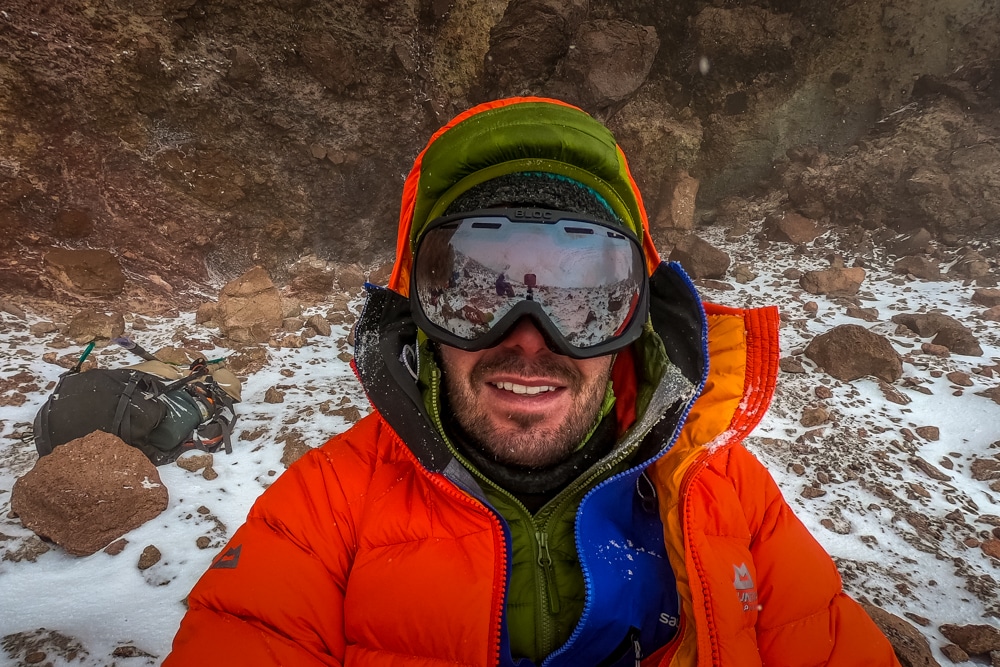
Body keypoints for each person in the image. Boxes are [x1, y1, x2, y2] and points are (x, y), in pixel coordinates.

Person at [165, 98, 901, 666]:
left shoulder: (730, 500)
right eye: (475, 293)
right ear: (423, 317)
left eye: (584, 298)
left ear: (636, 322)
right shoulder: (321, 516)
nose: (527, 338)